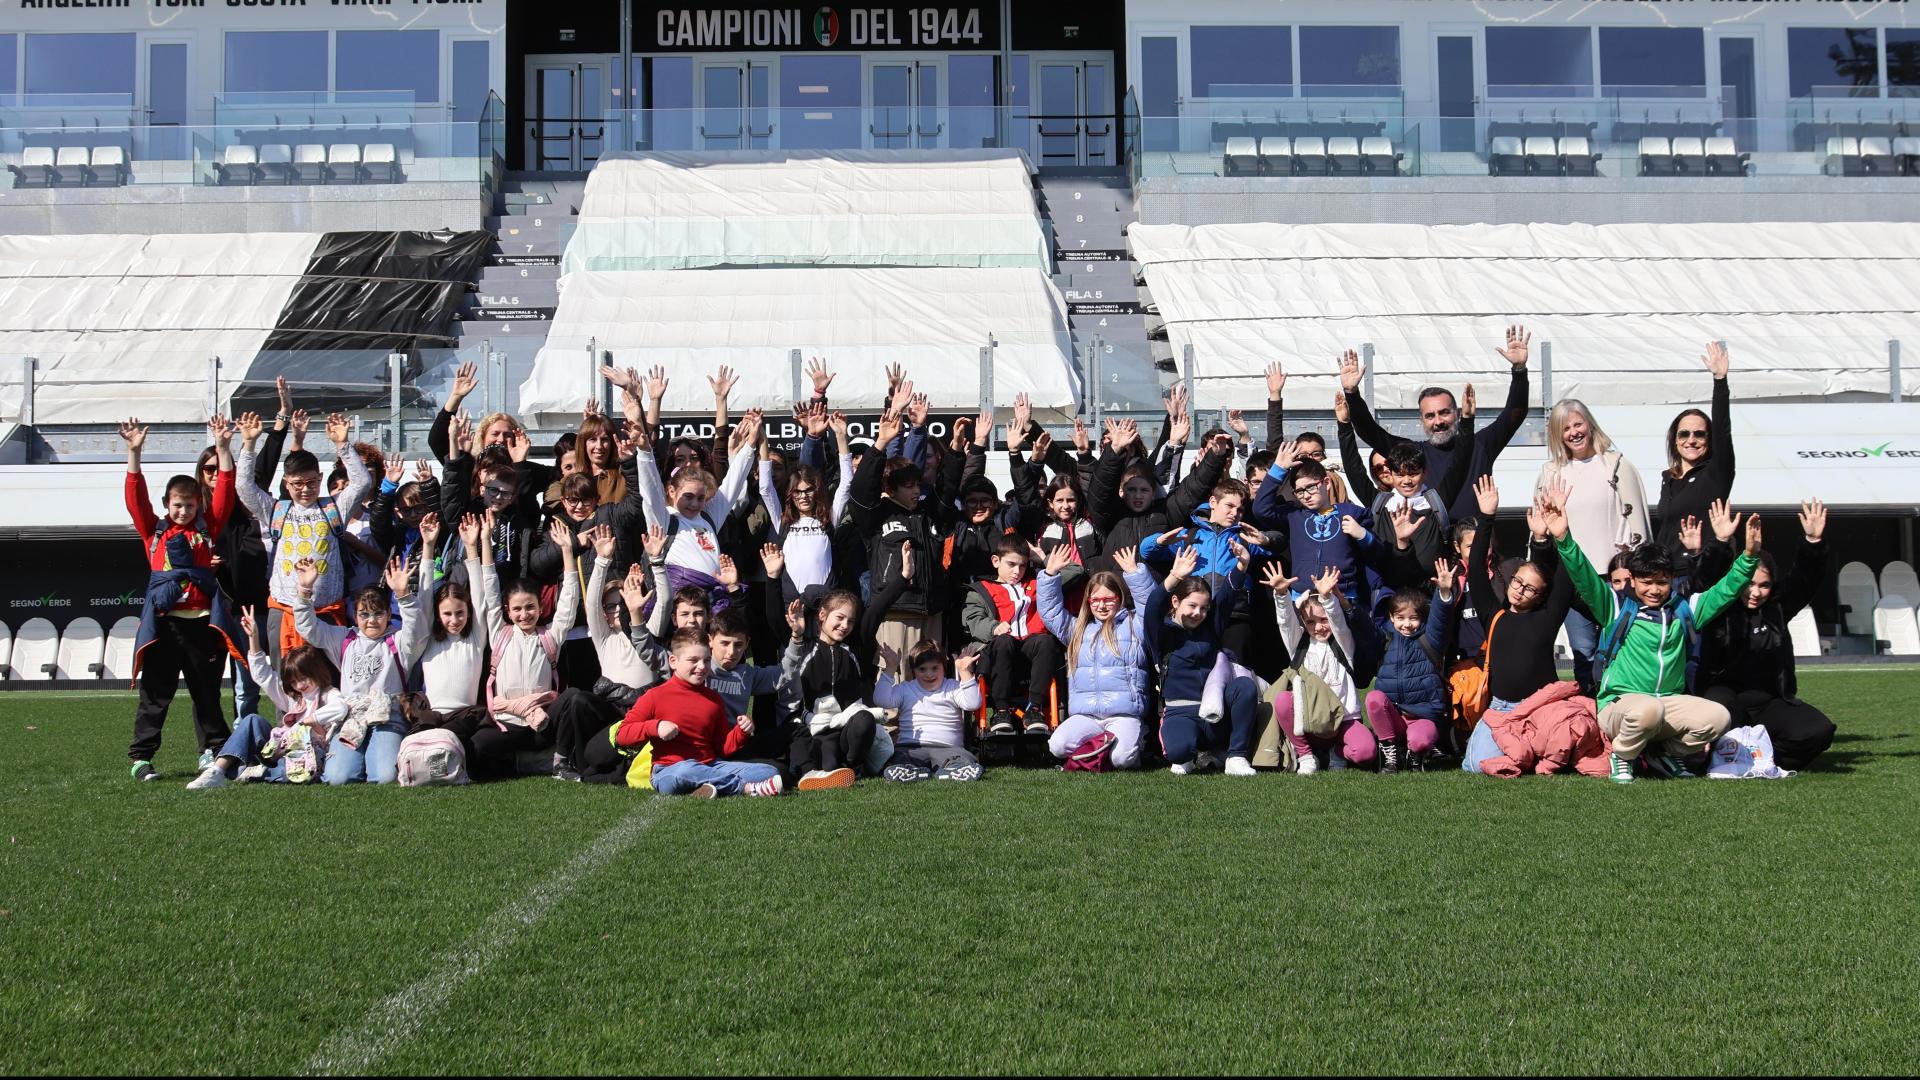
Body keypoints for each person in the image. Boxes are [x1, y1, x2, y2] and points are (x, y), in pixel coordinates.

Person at [1542, 484, 1759, 784]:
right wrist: (1563, 538)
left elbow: (1726, 591)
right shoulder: (1616, 607)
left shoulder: (1685, 609)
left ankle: (1666, 754)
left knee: (1718, 717)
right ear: (1632, 579)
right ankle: (1623, 755)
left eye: (1662, 582)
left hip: (1666, 704)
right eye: (1646, 582)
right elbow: (1585, 577)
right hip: (1619, 705)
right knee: (1648, 709)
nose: (1654, 590)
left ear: (1671, 579)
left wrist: (1749, 557)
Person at [121, 415, 244, 781]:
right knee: (155, 695)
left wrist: (223, 447)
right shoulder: (153, 531)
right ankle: (141, 759)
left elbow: (225, 487)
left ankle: (212, 753)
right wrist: (134, 453)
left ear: (197, 506)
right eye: (177, 505)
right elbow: (135, 498)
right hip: (164, 626)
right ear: (166, 504)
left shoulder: (207, 528)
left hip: (203, 625)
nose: (184, 511)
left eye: (190, 506)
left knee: (206, 693)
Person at [1338, 326, 1534, 522]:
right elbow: (1370, 432)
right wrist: (1352, 393)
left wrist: (1519, 370)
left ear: (1457, 414)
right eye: (1430, 416)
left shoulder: (1480, 445)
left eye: (1444, 413)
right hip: (1432, 545)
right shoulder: (1413, 453)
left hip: (1474, 544)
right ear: (1421, 420)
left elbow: (1514, 414)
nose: (1438, 421)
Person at [1694, 500, 1836, 770]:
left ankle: (1761, 758)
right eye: (1749, 584)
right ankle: (1727, 755)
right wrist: (1721, 542)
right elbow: (1704, 580)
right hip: (1723, 699)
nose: (1756, 592)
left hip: (1768, 703)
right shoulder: (1718, 606)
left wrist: (1813, 542)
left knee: (1818, 730)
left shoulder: (1777, 607)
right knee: (1721, 713)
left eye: (1765, 585)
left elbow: (1806, 579)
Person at [1534, 398, 1650, 694]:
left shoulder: (1616, 464)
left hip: (1615, 578)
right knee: (1584, 653)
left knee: (1621, 647)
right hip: (1572, 579)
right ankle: (1590, 716)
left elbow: (1638, 520)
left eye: (1578, 424)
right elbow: (1540, 524)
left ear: (1589, 424)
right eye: (1565, 428)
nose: (1573, 432)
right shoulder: (1551, 472)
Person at [235, 410, 373, 656]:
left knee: (331, 682)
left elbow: (362, 482)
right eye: (297, 484)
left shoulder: (334, 507)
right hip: (284, 609)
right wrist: (248, 444)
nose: (305, 489)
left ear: (320, 478)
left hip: (327, 612)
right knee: (286, 684)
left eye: (311, 482)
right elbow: (244, 487)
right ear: (287, 482)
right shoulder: (276, 509)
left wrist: (342, 445)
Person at [293, 552, 422, 785]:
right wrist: (304, 590)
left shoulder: (398, 642)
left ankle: (377, 757)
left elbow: (417, 629)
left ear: (388, 614)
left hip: (388, 716)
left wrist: (404, 596)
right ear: (355, 615)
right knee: (336, 778)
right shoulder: (345, 639)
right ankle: (355, 761)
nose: (371, 620)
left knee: (386, 776)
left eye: (378, 613)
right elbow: (308, 627)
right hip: (350, 717)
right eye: (364, 614)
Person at [467, 517, 580, 780]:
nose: (524, 614)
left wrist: (567, 550)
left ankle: (559, 761)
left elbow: (569, 602)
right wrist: (485, 540)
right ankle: (524, 763)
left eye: (530, 607)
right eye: (517, 609)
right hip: (508, 724)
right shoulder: (500, 634)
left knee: (574, 697)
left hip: (542, 724)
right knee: (478, 746)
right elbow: (490, 590)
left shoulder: (550, 636)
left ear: (540, 608)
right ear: (508, 611)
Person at [187, 608, 347, 789]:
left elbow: (341, 708)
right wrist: (254, 638)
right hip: (279, 748)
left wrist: (310, 720)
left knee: (295, 768)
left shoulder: (328, 694)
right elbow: (262, 675)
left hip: (307, 756)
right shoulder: (294, 698)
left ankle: (256, 772)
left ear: (317, 671)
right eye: (294, 682)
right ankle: (216, 771)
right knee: (252, 720)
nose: (299, 685)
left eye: (303, 679)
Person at [613, 629, 784, 798]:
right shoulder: (654, 696)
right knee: (684, 771)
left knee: (769, 771)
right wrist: (655, 727)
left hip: (711, 765)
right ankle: (746, 789)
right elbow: (622, 736)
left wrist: (741, 732)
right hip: (669, 770)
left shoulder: (713, 699)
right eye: (693, 660)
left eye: (707, 660)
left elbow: (721, 747)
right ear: (673, 661)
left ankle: (706, 787)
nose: (702, 667)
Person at [1037, 546, 1156, 771]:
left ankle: (1127, 744)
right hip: (1087, 716)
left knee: (1123, 760)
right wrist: (1050, 575)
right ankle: (1099, 747)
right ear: (1088, 602)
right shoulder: (1077, 629)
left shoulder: (1134, 626)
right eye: (1095, 600)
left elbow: (1151, 608)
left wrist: (1134, 573)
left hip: (1124, 714)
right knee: (1057, 746)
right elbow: (1050, 612)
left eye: (1108, 599)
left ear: (1120, 598)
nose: (1101, 605)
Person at [1145, 546, 1261, 776]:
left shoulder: (1209, 628)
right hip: (1181, 712)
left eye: (1204, 608)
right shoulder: (1162, 634)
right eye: (1192, 606)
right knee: (1179, 754)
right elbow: (1153, 608)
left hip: (1215, 710)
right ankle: (1188, 753)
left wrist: (1241, 566)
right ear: (1176, 602)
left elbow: (1227, 597)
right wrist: (1174, 577)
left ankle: (1235, 756)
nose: (1198, 613)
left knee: (1245, 686)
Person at [1266, 564, 1383, 774]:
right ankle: (1306, 755)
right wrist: (1282, 594)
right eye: (1310, 622)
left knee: (1365, 753)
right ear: (1303, 621)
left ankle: (1337, 752)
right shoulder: (1298, 644)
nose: (1318, 627)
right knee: (1283, 700)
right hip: (1310, 721)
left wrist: (1328, 598)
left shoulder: (1343, 643)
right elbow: (1285, 622)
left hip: (1344, 720)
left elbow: (1338, 621)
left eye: (1323, 620)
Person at [1366, 561, 1460, 772]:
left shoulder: (1430, 639)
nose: (1406, 624)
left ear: (1421, 618)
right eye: (1400, 618)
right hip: (1395, 718)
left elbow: (1441, 619)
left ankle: (1414, 753)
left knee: (1420, 741)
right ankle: (1390, 751)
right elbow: (1362, 627)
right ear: (1391, 617)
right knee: (1373, 698)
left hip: (1422, 717)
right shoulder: (1386, 639)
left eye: (1413, 618)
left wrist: (1443, 592)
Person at [963, 536, 1064, 735]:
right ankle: (1001, 711)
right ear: (995, 561)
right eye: (1011, 564)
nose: (1017, 571)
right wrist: (993, 627)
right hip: (999, 650)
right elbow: (973, 620)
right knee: (1003, 641)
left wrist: (1042, 558)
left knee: (1045, 640)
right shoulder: (981, 590)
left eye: (1023, 565)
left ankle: (1034, 710)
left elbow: (1075, 572)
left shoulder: (1037, 583)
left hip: (1031, 651)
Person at [1655, 342, 1736, 564]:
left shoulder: (1715, 474)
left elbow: (1722, 429)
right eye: (1684, 434)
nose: (1691, 440)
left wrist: (1720, 381)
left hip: (1702, 571)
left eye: (1699, 434)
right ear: (1675, 440)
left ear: (1709, 441)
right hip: (1666, 575)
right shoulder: (1668, 478)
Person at [873, 640, 985, 782]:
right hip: (911, 747)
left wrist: (964, 672)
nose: (929, 674)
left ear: (944, 667)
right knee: (899, 757)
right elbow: (881, 700)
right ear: (913, 671)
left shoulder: (953, 687)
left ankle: (954, 770)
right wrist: (890, 669)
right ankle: (909, 771)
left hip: (949, 748)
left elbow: (973, 703)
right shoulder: (906, 688)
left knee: (964, 757)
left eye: (934, 668)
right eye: (922, 669)